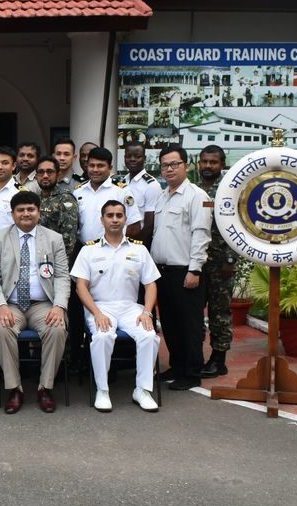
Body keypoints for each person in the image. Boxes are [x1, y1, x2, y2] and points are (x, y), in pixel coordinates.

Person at [0, 191, 70, 414]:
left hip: (43, 304)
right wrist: (0, 306)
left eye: (31, 209)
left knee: (57, 328)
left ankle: (45, 388)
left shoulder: (53, 239)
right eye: (20, 210)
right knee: (2, 329)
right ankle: (15, 388)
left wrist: (59, 306)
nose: (26, 214)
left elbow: (61, 276)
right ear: (12, 214)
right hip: (10, 304)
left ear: (38, 212)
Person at [72, 200, 161, 412]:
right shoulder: (89, 250)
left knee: (149, 335)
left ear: (125, 219)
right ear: (101, 219)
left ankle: (142, 390)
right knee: (103, 336)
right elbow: (80, 287)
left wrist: (147, 312)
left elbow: (150, 285)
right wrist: (96, 313)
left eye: (119, 215)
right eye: (110, 215)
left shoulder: (139, 250)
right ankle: (102, 391)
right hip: (100, 307)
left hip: (131, 307)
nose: (114, 219)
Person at [152, 144, 212, 391]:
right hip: (163, 272)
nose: (169, 169)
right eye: (165, 165)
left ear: (186, 166)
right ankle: (177, 366)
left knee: (190, 324)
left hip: (186, 271)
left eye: (174, 164)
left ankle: (191, 372)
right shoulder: (163, 196)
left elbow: (201, 234)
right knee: (170, 323)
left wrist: (195, 269)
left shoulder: (196, 196)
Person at [197, 145, 237, 378]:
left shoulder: (229, 191)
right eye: (204, 162)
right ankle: (196, 356)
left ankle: (218, 359)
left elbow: (237, 227)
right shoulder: (193, 189)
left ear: (222, 164)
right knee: (194, 311)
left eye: (213, 162)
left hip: (221, 261)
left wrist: (230, 259)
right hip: (198, 260)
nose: (208, 166)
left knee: (219, 312)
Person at [73, 147, 143, 245]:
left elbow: (134, 225)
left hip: (113, 250)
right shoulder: (78, 192)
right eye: (91, 165)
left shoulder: (121, 191)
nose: (95, 170)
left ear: (110, 168)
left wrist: (119, 246)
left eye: (100, 166)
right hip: (85, 250)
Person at [35, 155, 78, 258]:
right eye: (41, 172)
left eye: (50, 172)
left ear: (58, 175)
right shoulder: (35, 198)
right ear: (36, 176)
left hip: (56, 259)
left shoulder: (65, 198)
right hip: (37, 256)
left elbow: (68, 240)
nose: (45, 175)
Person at [122, 141, 163, 245]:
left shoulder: (151, 185)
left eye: (137, 156)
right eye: (128, 156)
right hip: (120, 241)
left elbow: (150, 225)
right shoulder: (122, 181)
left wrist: (138, 245)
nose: (132, 159)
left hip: (139, 243)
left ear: (144, 158)